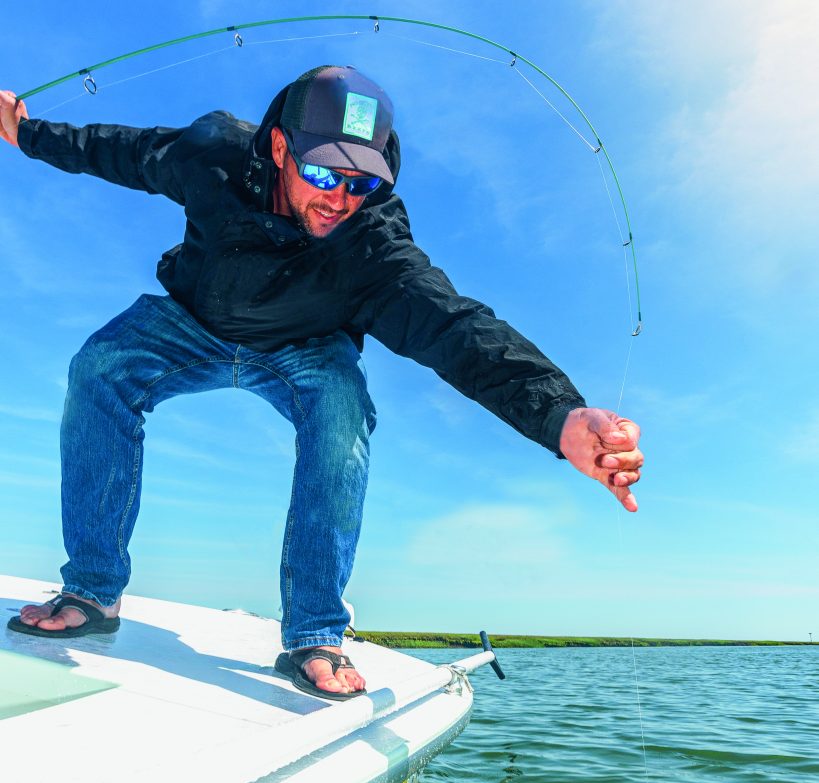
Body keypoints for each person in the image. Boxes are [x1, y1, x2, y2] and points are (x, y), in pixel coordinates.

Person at [0, 66, 643, 700]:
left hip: (306, 351)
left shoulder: (373, 246)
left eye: (359, 181)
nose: (337, 197)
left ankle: (314, 631)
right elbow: (121, 151)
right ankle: (91, 587)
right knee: (99, 368)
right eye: (322, 172)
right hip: (192, 322)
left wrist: (559, 416)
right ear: (280, 147)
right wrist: (27, 135)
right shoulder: (212, 154)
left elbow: (455, 326)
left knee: (342, 412)